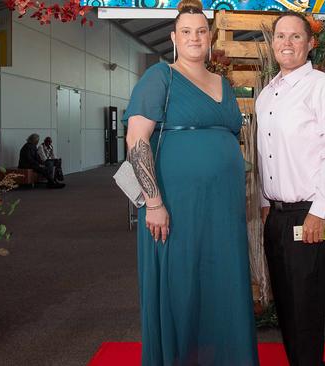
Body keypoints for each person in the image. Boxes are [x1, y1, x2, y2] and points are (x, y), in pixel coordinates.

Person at [123, 0, 258, 364]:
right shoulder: (160, 77)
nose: (194, 37)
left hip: (223, 205)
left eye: (201, 31)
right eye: (186, 31)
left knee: (220, 280)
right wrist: (153, 202)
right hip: (176, 201)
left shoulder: (223, 83)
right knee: (180, 281)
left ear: (209, 36)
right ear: (174, 37)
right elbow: (137, 140)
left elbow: (232, 139)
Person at [255, 13, 325, 366]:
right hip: (278, 215)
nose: (287, 43)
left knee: (307, 305)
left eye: (295, 36)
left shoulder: (322, 87)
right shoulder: (267, 95)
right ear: (273, 42)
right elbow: (267, 152)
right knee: (286, 303)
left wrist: (319, 211)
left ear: (310, 42)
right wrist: (267, 202)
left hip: (311, 214)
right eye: (281, 36)